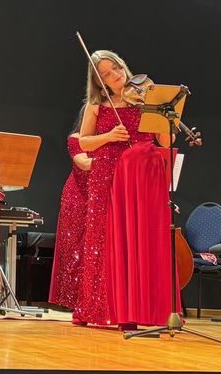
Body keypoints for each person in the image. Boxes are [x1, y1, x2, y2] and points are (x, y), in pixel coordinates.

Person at [72, 50, 175, 328]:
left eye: (116, 68)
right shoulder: (96, 106)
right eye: (106, 74)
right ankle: (102, 309)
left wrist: (159, 109)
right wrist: (108, 136)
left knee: (140, 237)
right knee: (103, 238)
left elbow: (165, 142)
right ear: (99, 81)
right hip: (106, 174)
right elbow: (83, 143)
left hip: (141, 177)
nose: (115, 75)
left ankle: (139, 309)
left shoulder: (145, 98)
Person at [49, 108, 92, 309]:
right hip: (77, 197)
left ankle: (90, 298)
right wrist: (112, 159)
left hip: (99, 195)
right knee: (75, 247)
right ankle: (73, 299)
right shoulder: (75, 138)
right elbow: (83, 163)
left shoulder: (105, 141)